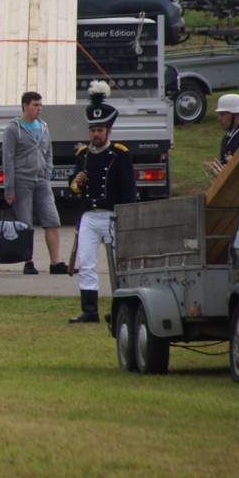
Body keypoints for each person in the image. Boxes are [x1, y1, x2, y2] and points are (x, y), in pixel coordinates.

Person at [67, 82, 136, 324]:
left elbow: (129, 190)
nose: (96, 134)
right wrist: (76, 182)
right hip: (89, 216)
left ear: (108, 131)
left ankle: (122, 309)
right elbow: (74, 187)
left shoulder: (120, 153)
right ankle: (89, 310)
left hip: (113, 215)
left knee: (119, 265)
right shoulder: (82, 155)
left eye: (100, 130)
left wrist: (127, 217)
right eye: (93, 130)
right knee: (86, 263)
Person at [1, 91, 66, 275]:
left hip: (42, 180)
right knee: (25, 222)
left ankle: (55, 262)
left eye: (40, 105)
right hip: (22, 180)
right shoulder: (13, 128)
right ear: (24, 106)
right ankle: (28, 261)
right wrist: (9, 188)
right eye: (35, 105)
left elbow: (48, 151)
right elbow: (8, 158)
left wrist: (48, 171)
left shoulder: (44, 126)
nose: (39, 109)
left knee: (52, 219)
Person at [215, 93, 239, 165]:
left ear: (237, 114)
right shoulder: (227, 136)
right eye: (218, 114)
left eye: (223, 114)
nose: (219, 118)